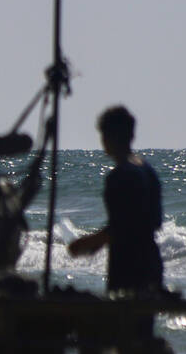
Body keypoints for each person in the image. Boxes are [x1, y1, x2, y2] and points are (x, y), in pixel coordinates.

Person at [68, 105, 163, 293]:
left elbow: (121, 228)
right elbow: (150, 222)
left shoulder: (120, 176)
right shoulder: (148, 171)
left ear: (106, 138)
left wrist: (85, 243)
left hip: (128, 267)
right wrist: (100, 242)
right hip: (151, 263)